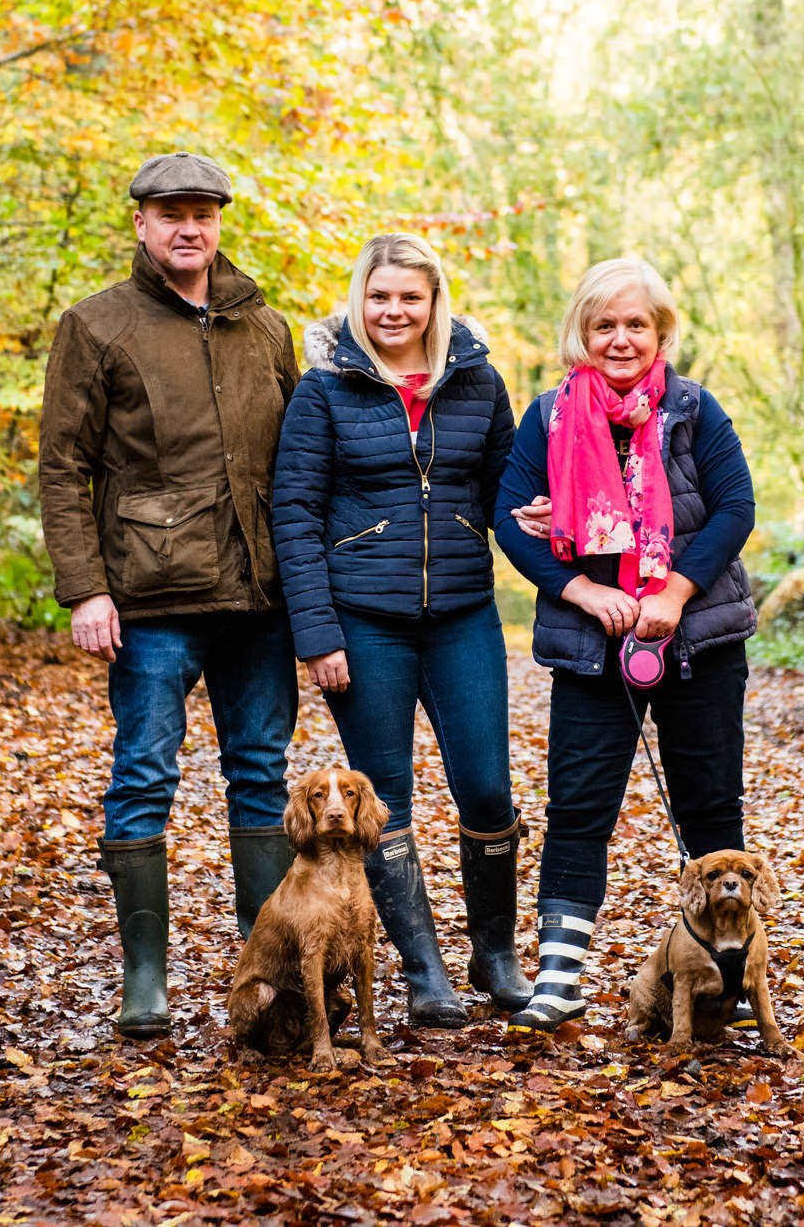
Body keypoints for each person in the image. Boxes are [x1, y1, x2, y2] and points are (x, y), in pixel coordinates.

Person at [36, 152, 303, 1041]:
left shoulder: (263, 325)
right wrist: (84, 589)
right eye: (170, 213)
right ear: (140, 223)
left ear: (220, 221)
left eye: (203, 212)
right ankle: (143, 978)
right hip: (149, 600)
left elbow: (300, 466)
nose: (189, 228)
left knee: (260, 779)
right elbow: (63, 467)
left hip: (257, 600)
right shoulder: (96, 325)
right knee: (144, 774)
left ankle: (264, 976)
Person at [269, 234, 533, 1027]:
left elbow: (506, 488)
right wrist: (316, 634)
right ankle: (424, 972)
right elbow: (294, 514)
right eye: (379, 297)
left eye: (409, 298)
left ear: (433, 302)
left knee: (487, 788)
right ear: (360, 300)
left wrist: (542, 517)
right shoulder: (324, 392)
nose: (393, 311)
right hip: (362, 623)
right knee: (384, 803)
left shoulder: (477, 382)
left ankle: (496, 954)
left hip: (462, 616)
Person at [489, 256, 758, 1033]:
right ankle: (560, 980)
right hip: (590, 645)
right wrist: (583, 590)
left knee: (711, 807)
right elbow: (509, 519)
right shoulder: (547, 419)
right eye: (603, 323)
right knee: (579, 809)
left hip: (699, 640)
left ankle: (729, 980)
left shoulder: (695, 411)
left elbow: (736, 509)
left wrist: (673, 593)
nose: (620, 338)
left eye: (635, 323)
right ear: (582, 331)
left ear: (661, 330)